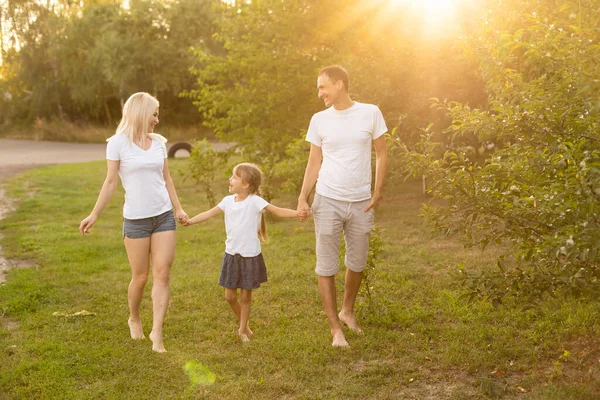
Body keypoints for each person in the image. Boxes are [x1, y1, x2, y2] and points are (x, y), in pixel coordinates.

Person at [79, 92, 188, 353]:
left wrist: (178, 208)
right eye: (154, 114)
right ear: (141, 113)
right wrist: (94, 214)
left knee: (163, 273)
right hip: (136, 221)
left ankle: (157, 333)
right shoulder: (117, 144)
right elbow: (110, 182)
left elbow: (167, 179)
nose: (157, 120)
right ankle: (134, 317)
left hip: (163, 217)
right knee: (140, 277)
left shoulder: (160, 143)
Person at [297, 65, 388, 347]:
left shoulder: (370, 112)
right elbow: (314, 162)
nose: (320, 93)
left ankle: (347, 310)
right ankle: (335, 329)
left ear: (339, 84)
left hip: (361, 201)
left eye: (323, 87)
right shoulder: (319, 120)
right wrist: (303, 196)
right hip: (327, 199)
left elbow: (382, 154)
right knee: (326, 264)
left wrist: (377, 191)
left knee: (357, 262)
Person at [182, 163, 298, 342]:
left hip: (250, 256)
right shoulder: (227, 201)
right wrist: (190, 221)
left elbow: (278, 211)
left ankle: (242, 330)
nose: (230, 179)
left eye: (234, 177)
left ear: (245, 184)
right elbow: (209, 214)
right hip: (232, 255)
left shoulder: (255, 201)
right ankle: (245, 325)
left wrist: (298, 213)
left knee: (245, 296)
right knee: (229, 297)